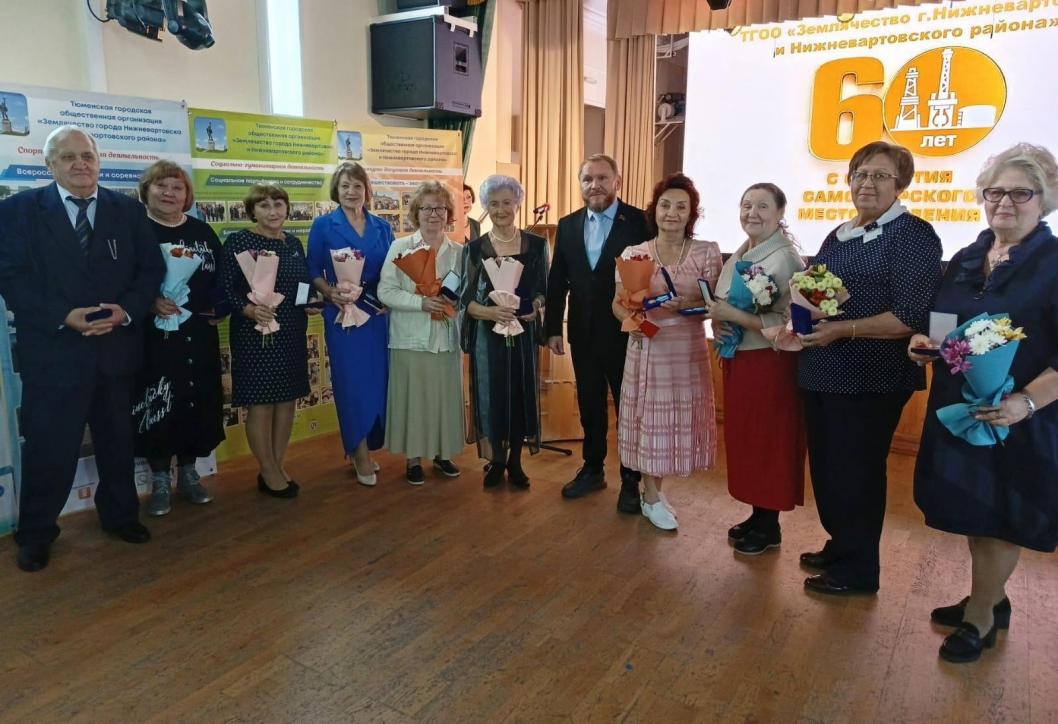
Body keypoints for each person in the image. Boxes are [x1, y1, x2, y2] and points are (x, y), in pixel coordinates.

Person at [909, 143, 1058, 663]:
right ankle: (992, 597)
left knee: (1002, 518)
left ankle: (979, 619)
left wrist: (1025, 403)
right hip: (961, 408)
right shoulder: (969, 257)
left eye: (1021, 193)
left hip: (1020, 417)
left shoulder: (1054, 263)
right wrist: (925, 344)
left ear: (1044, 199)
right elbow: (944, 321)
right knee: (975, 510)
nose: (1005, 202)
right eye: (995, 192)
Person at [0, 125, 164, 572]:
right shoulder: (18, 211)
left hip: (115, 351)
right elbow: (11, 276)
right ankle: (36, 533)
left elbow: (149, 270)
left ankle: (120, 516)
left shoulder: (127, 210)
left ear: (98, 160)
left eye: (87, 155)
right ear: (49, 164)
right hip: (54, 355)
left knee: (117, 444)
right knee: (49, 449)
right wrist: (62, 315)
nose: (80, 164)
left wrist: (126, 312)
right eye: (68, 156)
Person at [798, 141, 942, 595]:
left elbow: (910, 316)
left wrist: (843, 330)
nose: (867, 183)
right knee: (828, 468)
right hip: (822, 369)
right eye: (860, 174)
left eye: (880, 175)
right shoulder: (838, 233)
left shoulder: (913, 235)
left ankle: (859, 570)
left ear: (901, 184)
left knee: (856, 473)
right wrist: (796, 316)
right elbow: (817, 294)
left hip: (871, 378)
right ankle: (842, 544)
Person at [612, 173, 722, 529]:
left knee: (675, 422)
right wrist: (637, 323)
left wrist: (687, 305)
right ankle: (649, 496)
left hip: (687, 348)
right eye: (665, 205)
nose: (672, 213)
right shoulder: (635, 253)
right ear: (654, 209)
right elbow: (618, 305)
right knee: (650, 421)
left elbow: (714, 306)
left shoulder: (706, 252)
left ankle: (657, 493)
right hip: (648, 345)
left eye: (681, 207)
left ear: (692, 213)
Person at [545, 154, 651, 512]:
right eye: (588, 179)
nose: (595, 185)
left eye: (603, 178)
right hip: (583, 331)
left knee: (628, 407)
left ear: (617, 182)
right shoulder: (568, 224)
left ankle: (631, 479)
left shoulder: (640, 222)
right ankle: (592, 469)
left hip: (627, 333)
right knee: (590, 405)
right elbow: (557, 280)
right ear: (580, 184)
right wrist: (552, 328)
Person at [707, 183, 806, 553]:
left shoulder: (786, 258)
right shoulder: (745, 251)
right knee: (747, 438)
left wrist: (733, 316)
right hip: (741, 357)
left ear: (780, 213)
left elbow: (791, 324)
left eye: (763, 206)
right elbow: (725, 303)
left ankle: (769, 524)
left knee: (769, 440)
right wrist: (719, 322)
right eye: (746, 205)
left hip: (770, 363)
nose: (752, 213)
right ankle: (758, 513)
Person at [135, 161, 225, 516]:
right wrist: (150, 302)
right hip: (153, 336)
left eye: (177, 187)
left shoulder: (202, 231)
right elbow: (119, 280)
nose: (169, 193)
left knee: (195, 401)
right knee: (159, 401)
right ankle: (159, 480)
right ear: (147, 191)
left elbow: (221, 278)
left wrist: (218, 307)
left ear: (187, 195)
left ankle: (189, 473)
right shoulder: (135, 229)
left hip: (197, 335)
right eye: (161, 186)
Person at [219, 184, 314, 499]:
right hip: (254, 332)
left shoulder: (293, 243)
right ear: (252, 211)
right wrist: (249, 310)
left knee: (286, 400)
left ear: (287, 209)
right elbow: (225, 288)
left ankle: (276, 463)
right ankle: (268, 468)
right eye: (264, 205)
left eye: (278, 204)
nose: (273, 211)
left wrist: (310, 302)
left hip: (290, 331)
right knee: (261, 403)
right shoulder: (240, 241)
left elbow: (301, 285)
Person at [307, 162, 394, 486]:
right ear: (336, 190)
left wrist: (388, 298)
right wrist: (329, 292)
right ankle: (358, 451)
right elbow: (313, 269)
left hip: (376, 316)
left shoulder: (382, 226)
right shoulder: (323, 225)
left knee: (376, 382)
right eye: (345, 186)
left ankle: (369, 444)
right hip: (342, 315)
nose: (351, 192)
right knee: (350, 384)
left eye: (357, 185)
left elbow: (393, 270)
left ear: (366, 190)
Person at [460, 175, 549, 489]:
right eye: (494, 203)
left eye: (507, 203)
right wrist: (491, 312)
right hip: (488, 338)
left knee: (520, 395)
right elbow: (466, 301)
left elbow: (544, 290)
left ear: (517, 204)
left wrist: (534, 306)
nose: (501, 210)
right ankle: (497, 460)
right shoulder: (474, 249)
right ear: (486, 206)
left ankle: (516, 462)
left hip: (522, 335)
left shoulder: (537, 245)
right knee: (492, 396)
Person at [378, 181, 464, 485]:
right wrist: (421, 303)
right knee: (413, 401)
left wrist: (453, 303)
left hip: (446, 339)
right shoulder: (400, 248)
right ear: (416, 212)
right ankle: (413, 458)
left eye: (440, 208)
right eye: (427, 208)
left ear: (448, 213)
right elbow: (385, 291)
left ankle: (442, 454)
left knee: (443, 399)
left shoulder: (460, 252)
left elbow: (466, 293)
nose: (434, 214)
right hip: (410, 338)